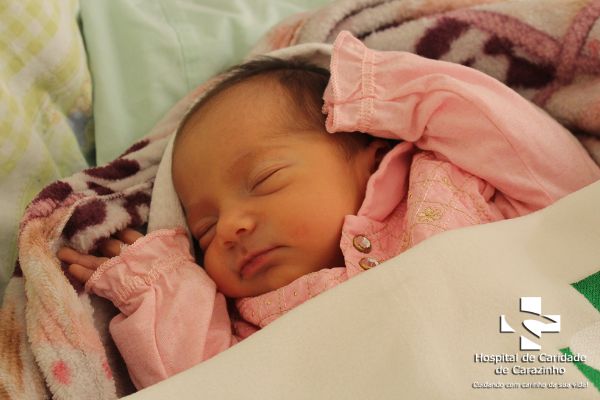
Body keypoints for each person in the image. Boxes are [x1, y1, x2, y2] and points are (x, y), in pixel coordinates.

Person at [57, 31, 600, 389]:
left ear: (370, 151)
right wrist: (163, 291)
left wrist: (383, 94)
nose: (231, 228)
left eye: (264, 180)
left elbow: (553, 171)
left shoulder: (450, 182)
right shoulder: (254, 321)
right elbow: (204, 385)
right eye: (204, 229)